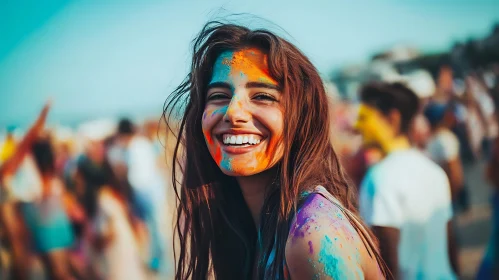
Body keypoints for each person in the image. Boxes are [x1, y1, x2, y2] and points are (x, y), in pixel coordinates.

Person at [163, 21, 386, 280]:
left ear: (301, 117)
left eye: (262, 97)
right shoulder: (243, 223)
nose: (233, 112)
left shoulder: (313, 234)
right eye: (219, 96)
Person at [356, 82, 459, 279]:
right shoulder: (434, 170)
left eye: (364, 117)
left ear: (393, 119)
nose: (357, 125)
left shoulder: (380, 177)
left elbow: (387, 264)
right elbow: (449, 242)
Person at [115, 118, 166, 273]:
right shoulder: (141, 144)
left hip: (146, 191)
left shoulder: (133, 147)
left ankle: (157, 262)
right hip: (150, 190)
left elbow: (134, 173)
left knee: (153, 228)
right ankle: (156, 260)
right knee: (153, 228)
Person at [424, 102, 464, 203]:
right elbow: (454, 172)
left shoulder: (430, 139)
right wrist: (451, 197)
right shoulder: (445, 139)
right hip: (446, 194)